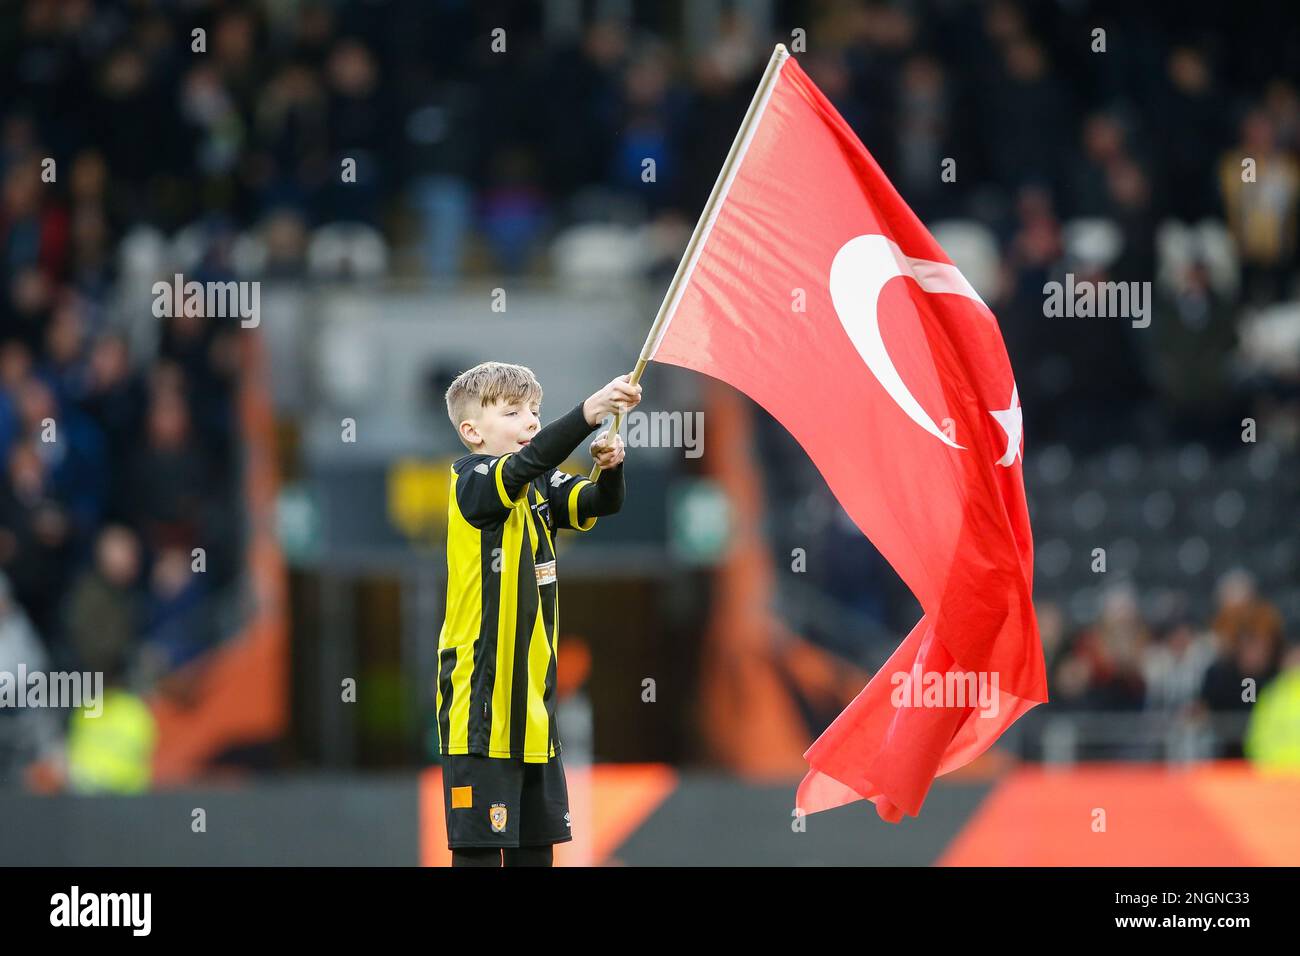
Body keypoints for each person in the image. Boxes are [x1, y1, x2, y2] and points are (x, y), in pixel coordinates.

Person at [436, 361, 640, 867]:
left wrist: (611, 468)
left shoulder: (541, 487)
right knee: (479, 854)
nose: (530, 421)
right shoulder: (473, 481)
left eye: (534, 411)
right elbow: (522, 468)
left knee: (536, 855)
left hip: (532, 716)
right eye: (513, 412)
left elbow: (598, 503)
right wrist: (588, 413)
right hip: (478, 711)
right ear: (471, 433)